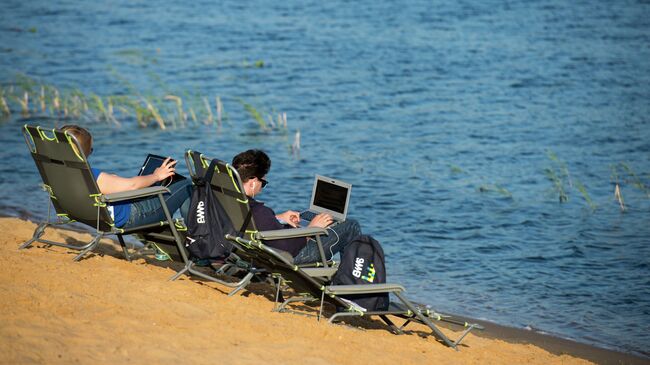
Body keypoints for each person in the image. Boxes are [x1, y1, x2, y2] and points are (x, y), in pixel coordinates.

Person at [232, 149, 361, 265]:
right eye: (263, 183)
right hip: (290, 256)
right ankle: (352, 279)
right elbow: (287, 247)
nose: (261, 188)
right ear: (253, 182)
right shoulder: (259, 211)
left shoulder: (232, 201)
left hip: (259, 251)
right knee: (350, 226)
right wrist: (311, 229)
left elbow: (255, 224)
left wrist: (278, 218)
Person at [60, 125, 192, 230]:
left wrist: (110, 181)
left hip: (84, 216)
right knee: (186, 185)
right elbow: (131, 186)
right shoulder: (90, 176)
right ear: (84, 153)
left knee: (148, 191)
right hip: (131, 217)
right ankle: (196, 239)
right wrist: (156, 176)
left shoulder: (55, 172)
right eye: (91, 150)